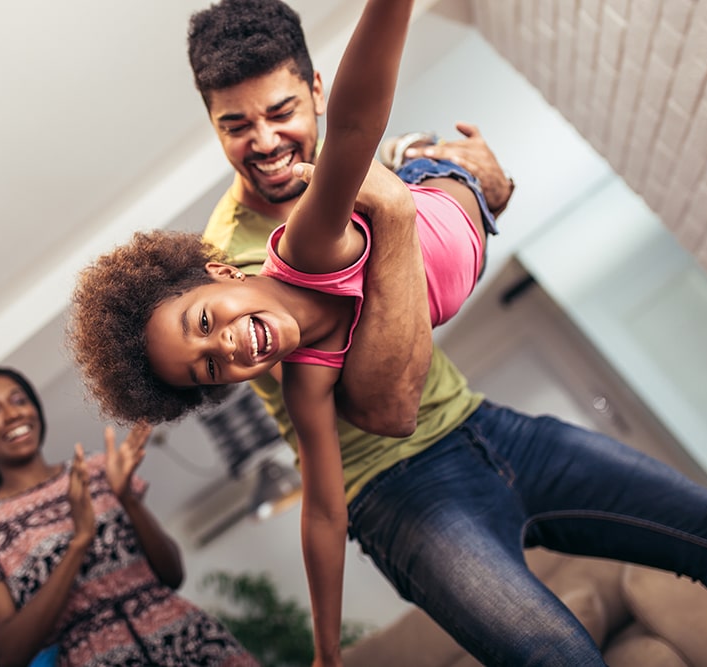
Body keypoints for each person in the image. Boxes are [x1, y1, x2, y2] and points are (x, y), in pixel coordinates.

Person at [183, 1, 707, 666]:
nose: (263, 141)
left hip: (483, 423)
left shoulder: (346, 161)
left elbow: (397, 156)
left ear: (316, 87)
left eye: (280, 111)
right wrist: (409, 201)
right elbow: (388, 401)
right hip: (393, 487)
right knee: (557, 658)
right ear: (212, 126)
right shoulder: (241, 279)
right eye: (235, 125)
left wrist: (474, 179)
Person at [70, 0, 511, 661]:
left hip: (433, 185)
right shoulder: (307, 380)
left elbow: (358, 124)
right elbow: (324, 510)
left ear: (220, 274)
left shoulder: (303, 248)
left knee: (395, 156)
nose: (228, 346)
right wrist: (326, 649)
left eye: (205, 322)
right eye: (208, 368)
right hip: (441, 233)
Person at [0, 366, 258, 667]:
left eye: (18, 400)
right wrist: (79, 542)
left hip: (194, 642)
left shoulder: (99, 470)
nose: (13, 414)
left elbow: (172, 576)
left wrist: (126, 498)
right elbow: (9, 655)